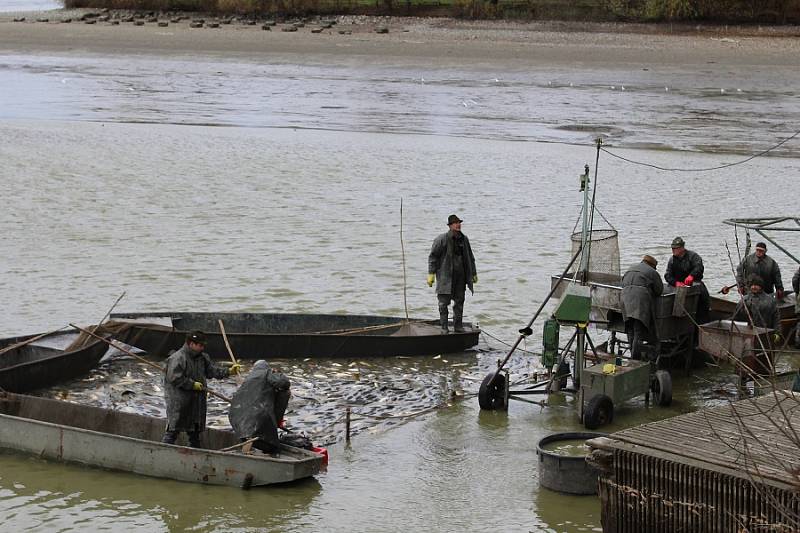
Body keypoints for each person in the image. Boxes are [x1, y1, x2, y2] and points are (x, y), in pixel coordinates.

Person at [162, 331, 240, 448]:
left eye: (203, 345)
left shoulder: (203, 358)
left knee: (194, 433)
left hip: (197, 402)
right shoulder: (178, 358)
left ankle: (195, 455)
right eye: (200, 345)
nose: (202, 347)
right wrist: (191, 385)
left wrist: (228, 371)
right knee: (173, 431)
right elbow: (174, 378)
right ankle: (162, 452)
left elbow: (212, 371)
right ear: (191, 344)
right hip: (180, 402)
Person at [427, 214, 477, 333]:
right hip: (445, 277)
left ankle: (458, 326)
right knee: (443, 303)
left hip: (461, 277)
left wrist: (473, 273)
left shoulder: (464, 239)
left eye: (459, 222)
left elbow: (470, 257)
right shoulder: (441, 239)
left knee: (459, 302)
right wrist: (431, 273)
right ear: (450, 226)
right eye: (455, 223)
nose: (458, 224)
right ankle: (444, 327)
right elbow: (433, 256)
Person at [229, 360, 291, 454]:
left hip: (236, 417)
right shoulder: (266, 373)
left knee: (249, 434)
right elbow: (284, 383)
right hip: (259, 416)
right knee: (272, 446)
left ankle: (248, 444)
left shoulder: (248, 378)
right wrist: (277, 374)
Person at [621, 255, 664, 360]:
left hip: (624, 298)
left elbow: (622, 283)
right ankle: (635, 359)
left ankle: (632, 353)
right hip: (639, 300)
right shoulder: (652, 272)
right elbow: (659, 290)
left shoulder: (631, 268)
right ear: (652, 265)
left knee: (630, 329)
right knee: (638, 330)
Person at [664, 236, 709, 322]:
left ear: (682, 248)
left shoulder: (693, 256)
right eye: (672, 248)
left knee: (703, 306)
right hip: (680, 289)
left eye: (675, 248)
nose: (673, 250)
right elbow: (667, 275)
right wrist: (676, 283)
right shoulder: (672, 260)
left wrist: (691, 276)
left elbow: (699, 267)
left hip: (696, 285)